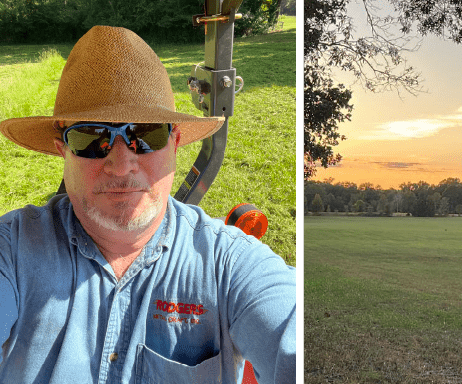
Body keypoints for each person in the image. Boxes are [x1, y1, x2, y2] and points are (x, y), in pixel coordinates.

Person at [0, 25, 295, 383]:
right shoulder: (13, 251)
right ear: (64, 150)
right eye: (91, 138)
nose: (122, 165)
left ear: (175, 141)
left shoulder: (229, 265)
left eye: (146, 134)